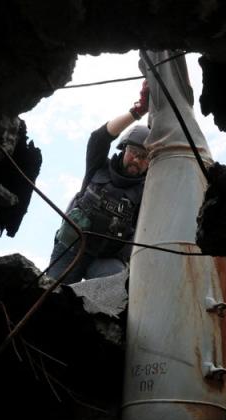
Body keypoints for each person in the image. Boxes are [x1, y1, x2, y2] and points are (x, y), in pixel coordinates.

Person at [46, 81, 151, 284]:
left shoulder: (147, 192)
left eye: (144, 157)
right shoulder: (98, 167)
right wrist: (138, 111)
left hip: (105, 261)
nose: (137, 160)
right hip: (70, 249)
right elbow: (99, 138)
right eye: (134, 152)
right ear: (124, 150)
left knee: (118, 292)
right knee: (52, 296)